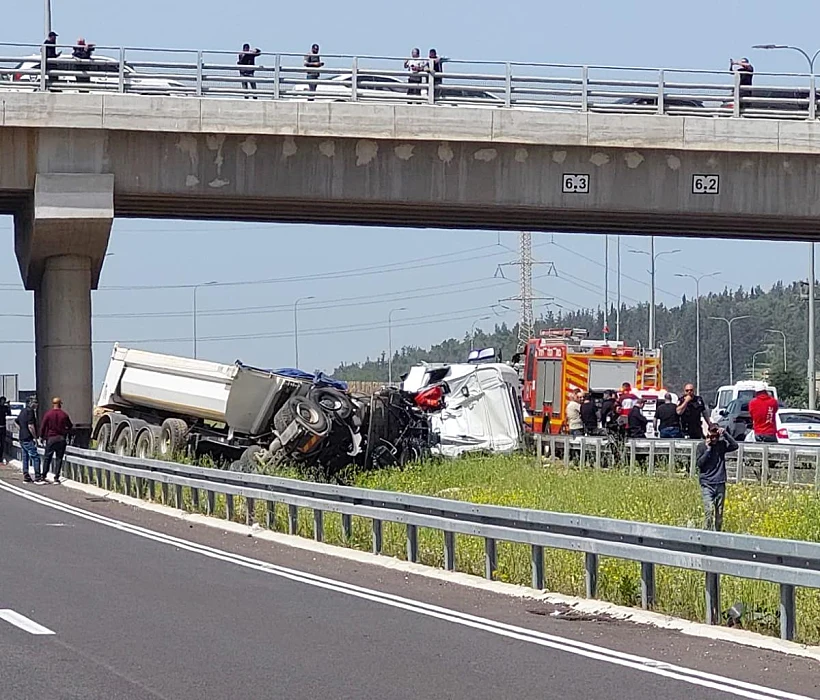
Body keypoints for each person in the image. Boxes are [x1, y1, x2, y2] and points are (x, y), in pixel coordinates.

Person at [696, 425, 737, 531]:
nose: (714, 439)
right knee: (708, 511)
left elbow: (735, 445)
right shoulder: (701, 446)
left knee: (719, 513)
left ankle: (718, 533)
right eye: (712, 436)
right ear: (708, 435)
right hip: (707, 484)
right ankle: (708, 532)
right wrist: (708, 450)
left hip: (720, 482)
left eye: (716, 437)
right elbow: (699, 463)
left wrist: (725, 434)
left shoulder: (721, 445)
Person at [40, 397, 73, 484]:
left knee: (47, 457)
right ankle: (56, 478)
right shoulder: (64, 415)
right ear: (60, 404)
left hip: (51, 438)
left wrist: (41, 437)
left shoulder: (48, 414)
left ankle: (43, 476)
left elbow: (43, 426)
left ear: (53, 404)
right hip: (61, 438)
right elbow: (70, 425)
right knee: (59, 458)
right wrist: (66, 432)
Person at [15, 397, 42, 484]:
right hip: (28, 438)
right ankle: (38, 477)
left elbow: (16, 422)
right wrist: (35, 437)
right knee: (35, 457)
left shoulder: (22, 411)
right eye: (35, 403)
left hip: (22, 437)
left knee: (25, 457)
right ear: (31, 403)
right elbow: (31, 426)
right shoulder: (30, 412)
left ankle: (26, 476)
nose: (37, 404)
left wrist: (22, 429)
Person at [0, 396, 9, 464]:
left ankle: (1, 456)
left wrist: (8, 406)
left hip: (3, 427)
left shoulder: (5, 408)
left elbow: (9, 413)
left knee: (3, 443)